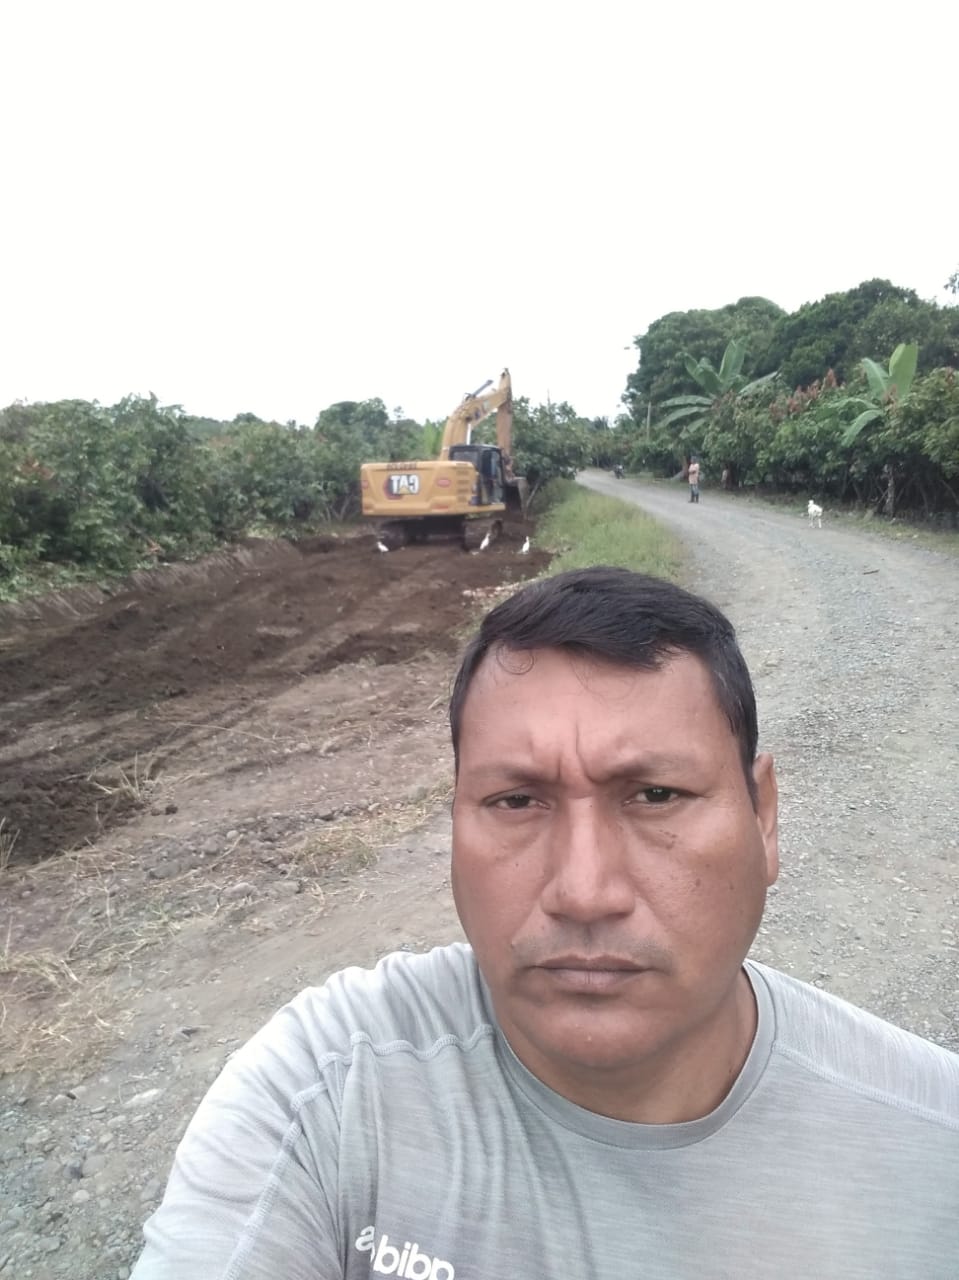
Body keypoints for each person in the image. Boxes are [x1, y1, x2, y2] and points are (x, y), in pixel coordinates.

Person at [131, 568, 959, 1279]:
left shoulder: (933, 1146)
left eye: (655, 795)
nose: (583, 891)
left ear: (762, 817)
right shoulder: (330, 1092)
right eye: (516, 801)